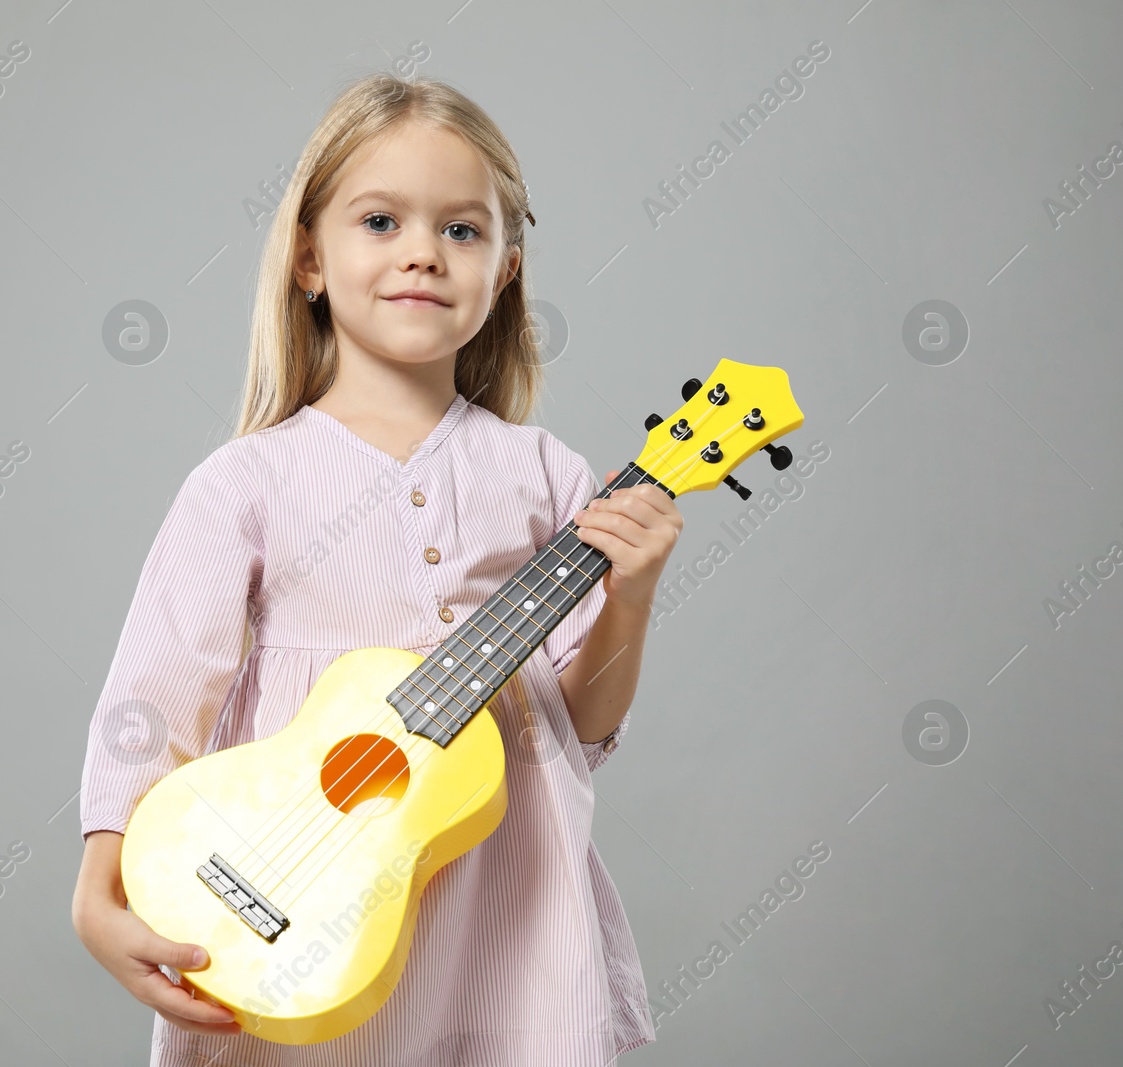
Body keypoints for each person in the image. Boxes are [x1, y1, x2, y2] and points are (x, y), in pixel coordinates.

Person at [72, 70, 683, 1066]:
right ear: (309, 258)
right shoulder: (246, 483)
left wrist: (632, 597)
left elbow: (584, 728)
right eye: (380, 221)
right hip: (302, 903)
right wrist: (99, 880)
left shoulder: (545, 478)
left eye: (461, 230)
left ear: (507, 270)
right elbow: (153, 694)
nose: (421, 255)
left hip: (508, 905)